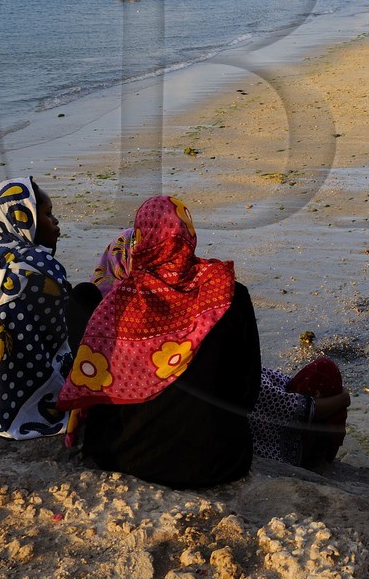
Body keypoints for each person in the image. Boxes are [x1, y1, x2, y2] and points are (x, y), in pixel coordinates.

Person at [59, 196, 351, 488]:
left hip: (120, 459)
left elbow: (90, 387)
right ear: (189, 235)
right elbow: (245, 395)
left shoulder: (114, 306)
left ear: (140, 243)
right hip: (214, 464)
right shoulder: (227, 295)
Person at [0, 178, 86, 440]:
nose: (55, 221)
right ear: (21, 221)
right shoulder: (33, 269)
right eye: (46, 214)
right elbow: (57, 334)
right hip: (23, 392)